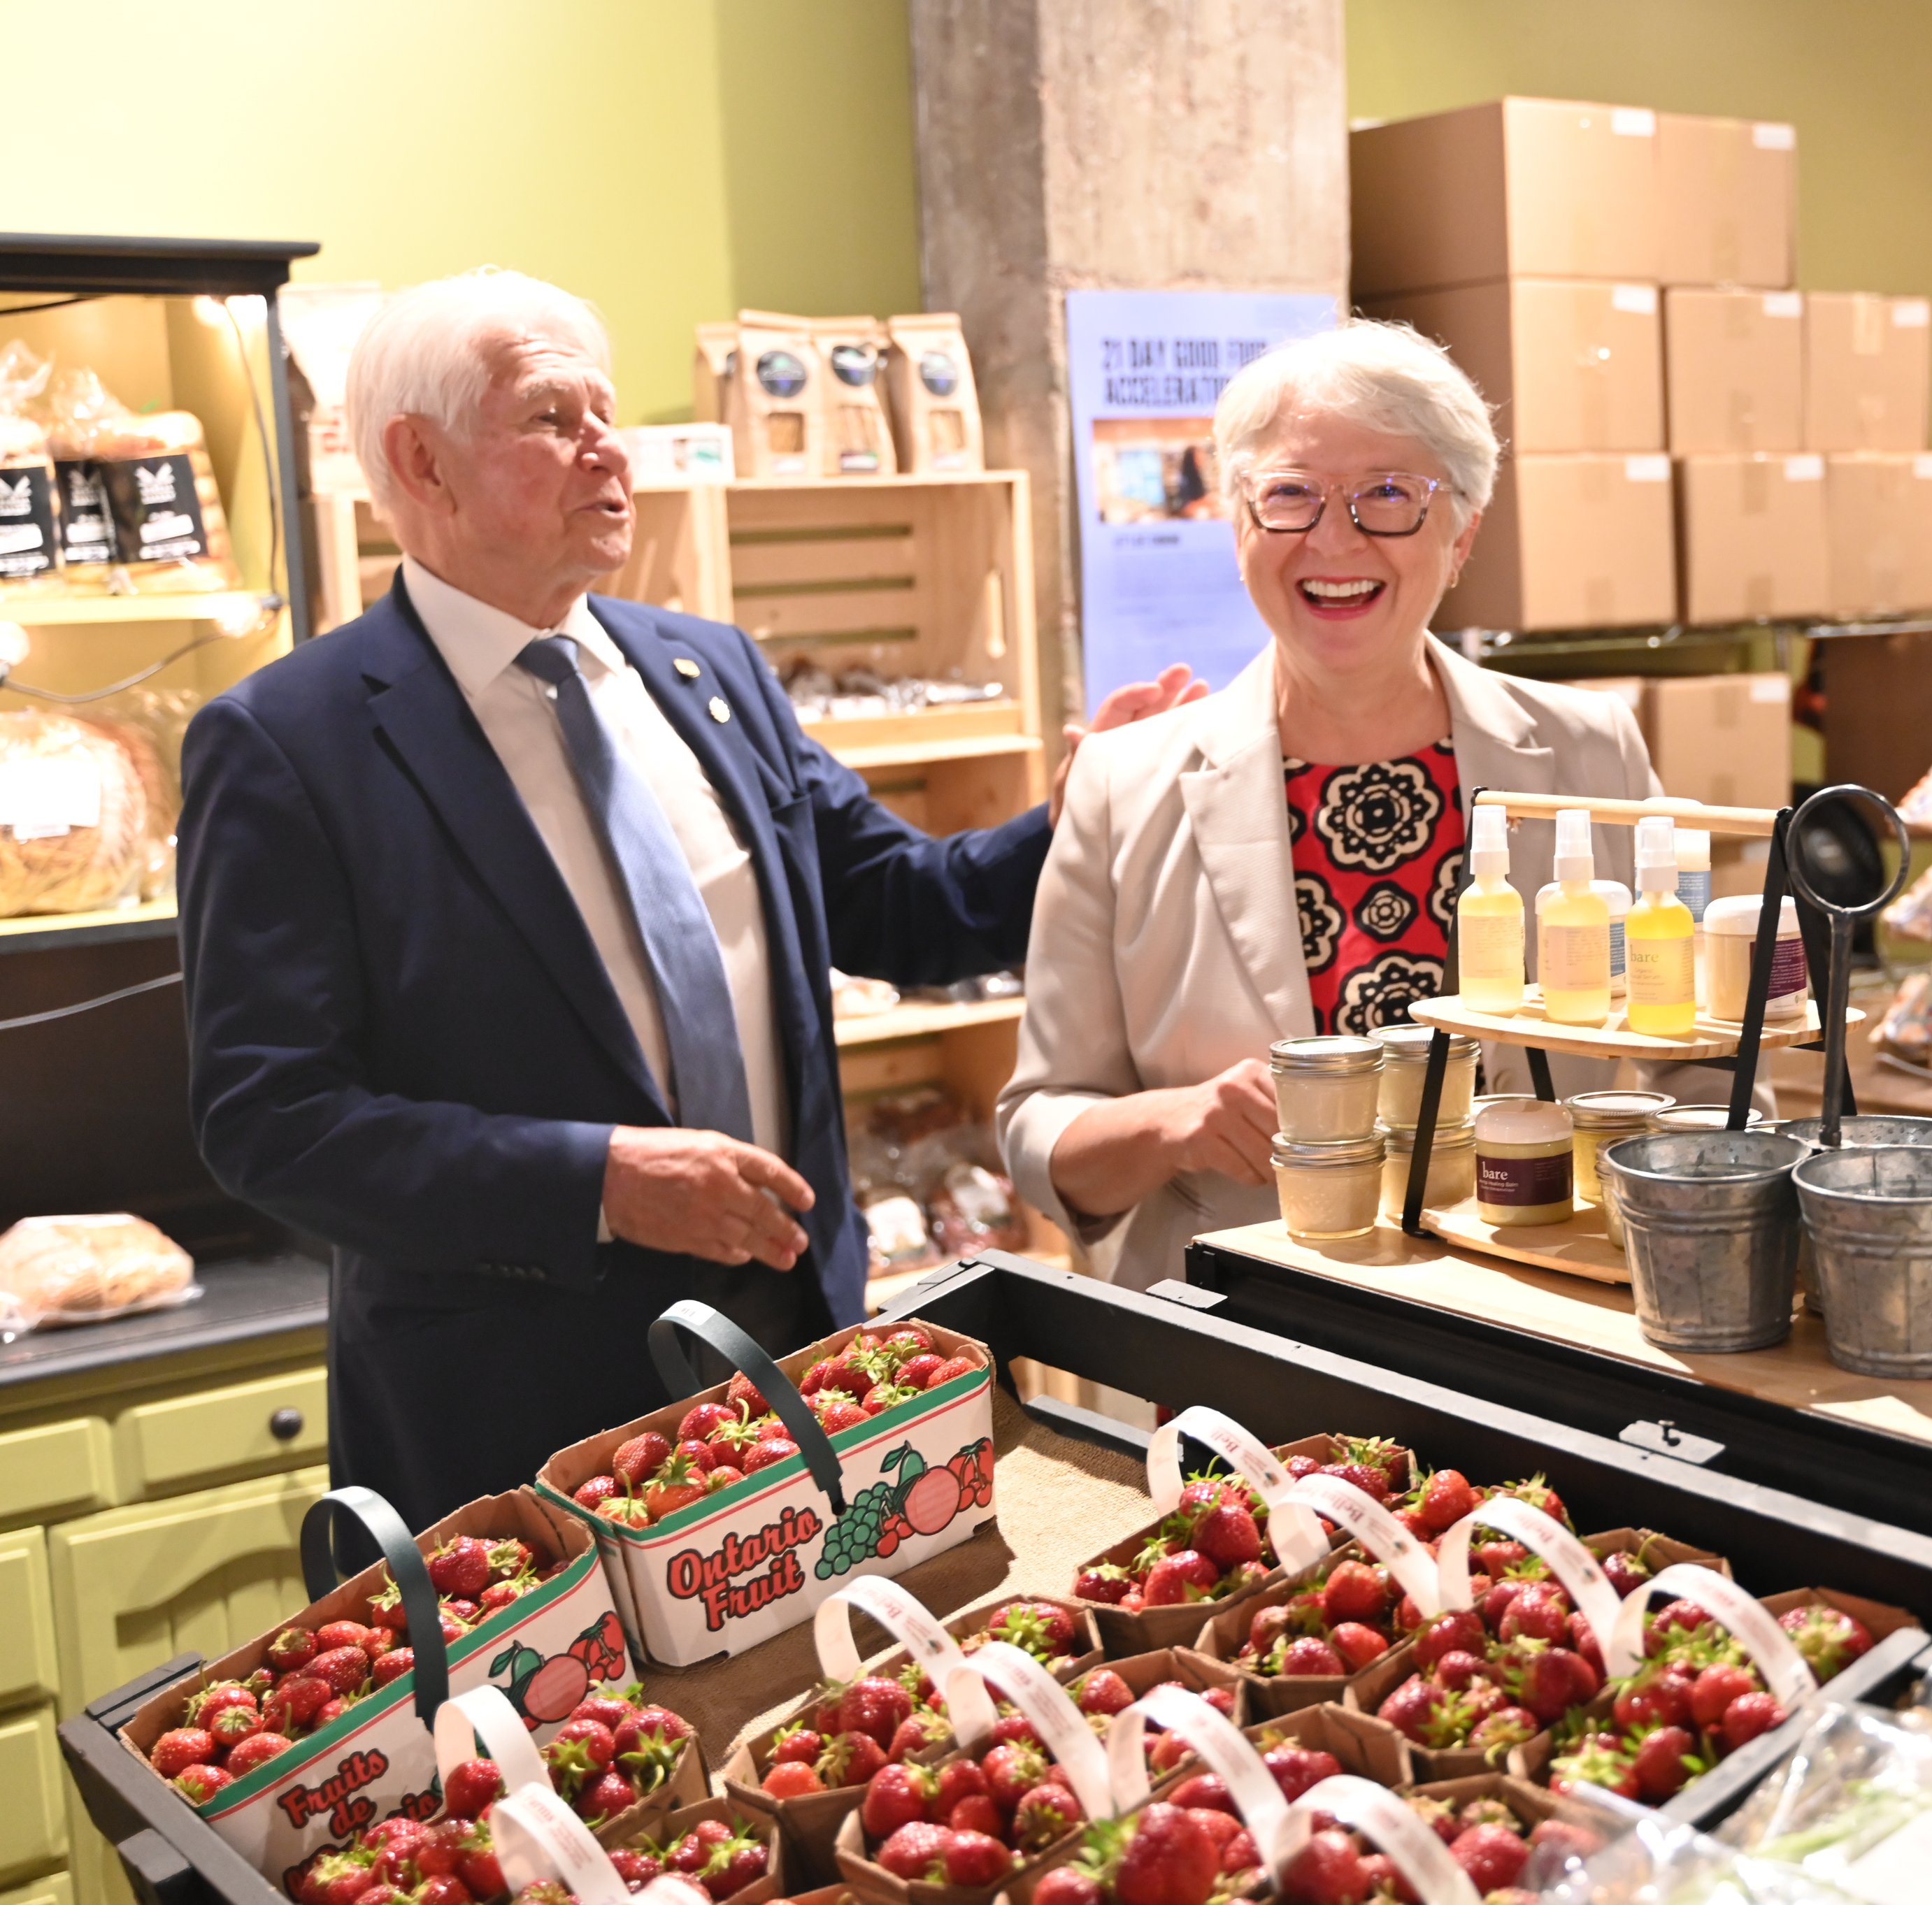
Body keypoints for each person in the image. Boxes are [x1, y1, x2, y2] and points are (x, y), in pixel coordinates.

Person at [178, 269, 1192, 1526]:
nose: (612, 447)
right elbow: (270, 1118)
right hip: (517, 1408)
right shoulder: (290, 742)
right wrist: (595, 1178)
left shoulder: (704, 670)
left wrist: (1078, 814)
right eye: (554, 416)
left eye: (608, 410)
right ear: (419, 462)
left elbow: (897, 907)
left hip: (796, 1344)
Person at [998, 321, 1667, 1291]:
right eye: (1291, 495)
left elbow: (1695, 1067)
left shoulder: (1589, 750)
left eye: (1388, 494)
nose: (1335, 538)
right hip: (1248, 1346)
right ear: (1238, 526)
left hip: (1548, 1328)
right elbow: (1037, 1129)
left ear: (1464, 529)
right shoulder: (1118, 783)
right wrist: (1175, 1122)